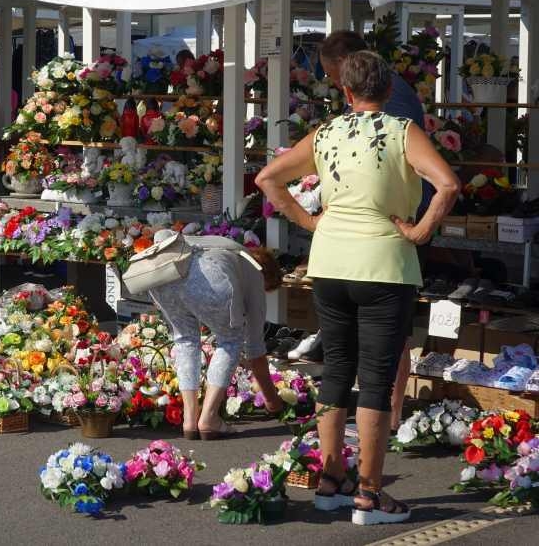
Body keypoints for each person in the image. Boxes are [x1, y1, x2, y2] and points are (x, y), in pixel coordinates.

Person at [256, 50, 459, 525]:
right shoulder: (402, 131)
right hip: (384, 263)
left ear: (345, 92)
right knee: (376, 377)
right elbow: (447, 185)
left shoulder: (326, 132)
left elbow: (269, 178)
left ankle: (331, 482)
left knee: (336, 368)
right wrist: (420, 230)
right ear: (389, 91)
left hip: (329, 261)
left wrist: (310, 221)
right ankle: (369, 493)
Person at [319, 30, 427, 430]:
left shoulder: (391, 112)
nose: (334, 85)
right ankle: (376, 443)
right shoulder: (386, 100)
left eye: (335, 76)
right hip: (380, 236)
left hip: (391, 227)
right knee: (369, 348)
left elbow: (269, 178)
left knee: (372, 348)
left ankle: (390, 417)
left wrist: (419, 227)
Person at [147, 232, 285, 440]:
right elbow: (255, 349)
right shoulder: (254, 272)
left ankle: (190, 419)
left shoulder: (219, 245)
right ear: (268, 277)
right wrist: (273, 401)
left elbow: (164, 235)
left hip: (162, 275)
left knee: (185, 340)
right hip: (209, 277)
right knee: (229, 340)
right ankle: (209, 417)